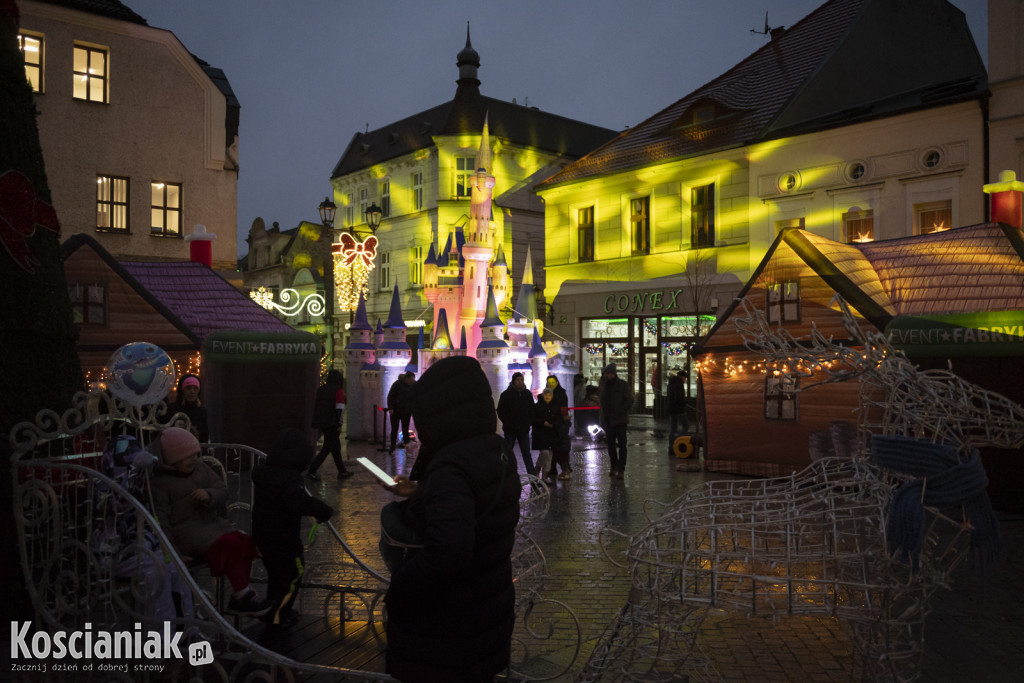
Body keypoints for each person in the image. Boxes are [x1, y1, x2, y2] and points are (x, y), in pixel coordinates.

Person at [381, 356, 522, 683]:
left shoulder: (451, 467)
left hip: (447, 628)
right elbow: (472, 510)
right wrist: (420, 491)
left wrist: (401, 587)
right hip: (485, 611)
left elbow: (449, 551)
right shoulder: (493, 450)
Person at [149, 427, 269, 615]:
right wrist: (172, 551)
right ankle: (242, 594)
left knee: (244, 541)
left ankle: (241, 593)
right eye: (187, 456)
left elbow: (222, 490)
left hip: (209, 525)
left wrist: (209, 495)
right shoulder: (161, 483)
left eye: (195, 454)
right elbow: (161, 520)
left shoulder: (201, 469)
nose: (193, 459)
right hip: (186, 532)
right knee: (229, 544)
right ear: (172, 459)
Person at [252, 428, 334, 627]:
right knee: (292, 575)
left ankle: (271, 608)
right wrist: (322, 510)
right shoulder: (289, 479)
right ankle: (279, 614)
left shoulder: (264, 473)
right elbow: (298, 502)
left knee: (275, 575)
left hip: (263, 537)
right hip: (285, 540)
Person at [307, 369, 353, 479]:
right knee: (327, 448)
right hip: (332, 423)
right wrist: (339, 425)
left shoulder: (321, 389)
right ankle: (312, 470)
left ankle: (342, 471)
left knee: (335, 447)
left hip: (322, 422)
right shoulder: (338, 391)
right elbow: (339, 409)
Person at [496, 371, 536, 476]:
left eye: (522, 379)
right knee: (507, 453)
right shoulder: (506, 395)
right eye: (518, 379)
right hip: (510, 430)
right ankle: (504, 475)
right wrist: (508, 423)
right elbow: (501, 411)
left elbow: (532, 410)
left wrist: (529, 422)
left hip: (524, 429)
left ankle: (533, 479)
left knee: (527, 454)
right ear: (513, 381)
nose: (520, 381)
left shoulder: (527, 394)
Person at [599, 363, 633, 479]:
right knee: (611, 445)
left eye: (607, 373)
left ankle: (621, 469)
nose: (606, 376)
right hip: (608, 420)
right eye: (605, 374)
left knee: (622, 445)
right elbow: (603, 402)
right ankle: (614, 466)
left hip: (619, 420)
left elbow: (629, 400)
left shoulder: (622, 385)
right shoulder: (604, 385)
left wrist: (620, 412)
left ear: (612, 373)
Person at [543, 376, 572, 481]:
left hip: (559, 425)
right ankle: (553, 469)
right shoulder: (547, 393)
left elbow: (562, 410)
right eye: (549, 382)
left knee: (560, 449)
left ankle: (565, 470)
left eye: (553, 382)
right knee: (553, 449)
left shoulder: (561, 394)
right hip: (550, 425)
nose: (551, 384)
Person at [532, 387, 563, 484]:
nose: (548, 397)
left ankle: (544, 476)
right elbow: (533, 419)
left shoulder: (555, 406)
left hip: (552, 434)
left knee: (549, 457)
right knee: (545, 453)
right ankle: (537, 469)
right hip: (541, 434)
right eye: (546, 395)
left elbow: (560, 419)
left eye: (549, 395)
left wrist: (554, 424)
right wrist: (543, 423)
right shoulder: (537, 406)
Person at [170, 373, 209, 442]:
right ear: (182, 390)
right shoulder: (171, 409)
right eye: (188, 388)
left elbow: (204, 436)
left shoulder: (201, 412)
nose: (192, 391)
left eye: (195, 388)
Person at [387, 372, 415, 453]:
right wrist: (391, 408)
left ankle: (407, 446)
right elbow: (390, 396)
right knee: (394, 429)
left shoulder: (412, 385)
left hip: (407, 411)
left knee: (405, 429)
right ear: (406, 378)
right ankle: (392, 447)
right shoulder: (397, 384)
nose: (412, 382)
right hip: (396, 411)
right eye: (411, 380)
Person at [666, 368, 689, 454]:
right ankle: (677, 440)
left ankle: (671, 447)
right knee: (686, 426)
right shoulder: (679, 384)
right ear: (682, 377)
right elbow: (679, 397)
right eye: (685, 378)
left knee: (673, 428)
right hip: (679, 409)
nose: (685, 380)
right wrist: (684, 403)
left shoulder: (671, 383)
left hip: (671, 409)